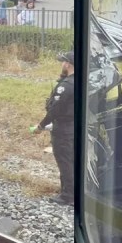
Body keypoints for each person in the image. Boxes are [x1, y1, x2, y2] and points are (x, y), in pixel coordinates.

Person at [33, 51, 75, 206]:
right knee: (72, 160)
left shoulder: (66, 86)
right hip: (74, 127)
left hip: (63, 129)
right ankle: (70, 191)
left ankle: (68, 196)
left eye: (63, 62)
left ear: (68, 64)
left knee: (65, 161)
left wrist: (41, 125)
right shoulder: (80, 82)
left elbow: (55, 110)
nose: (61, 64)